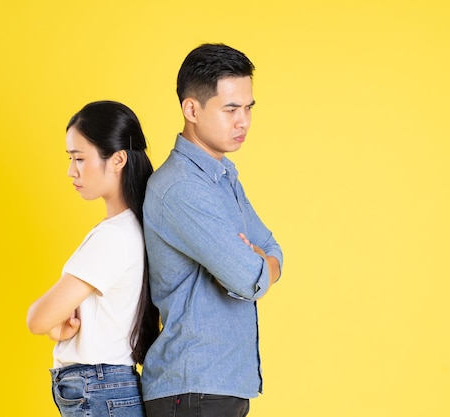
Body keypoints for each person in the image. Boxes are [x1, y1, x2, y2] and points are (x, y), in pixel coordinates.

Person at [140, 43, 284, 417]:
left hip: (214, 387)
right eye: (231, 109)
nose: (244, 121)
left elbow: (271, 247)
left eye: (249, 108)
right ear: (191, 109)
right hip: (193, 389)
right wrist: (259, 264)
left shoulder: (221, 175)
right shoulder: (181, 187)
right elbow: (247, 277)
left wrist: (263, 260)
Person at [27, 100, 159, 417]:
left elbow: (38, 318)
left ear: (117, 160)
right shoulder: (133, 228)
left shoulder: (114, 236)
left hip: (99, 386)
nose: (71, 171)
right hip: (107, 385)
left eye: (80, 158)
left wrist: (50, 327)